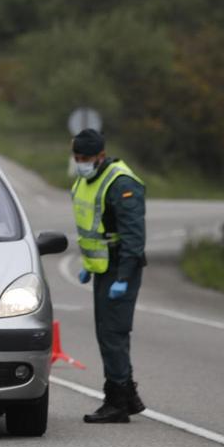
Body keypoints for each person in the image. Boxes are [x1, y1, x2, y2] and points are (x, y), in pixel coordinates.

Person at [69, 128, 148, 424]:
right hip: (103, 267)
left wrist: (124, 277)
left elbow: (133, 236)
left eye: (86, 158)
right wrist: (89, 266)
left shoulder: (121, 183)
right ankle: (127, 396)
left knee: (113, 334)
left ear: (101, 156)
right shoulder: (87, 179)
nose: (81, 162)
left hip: (121, 268)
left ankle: (117, 401)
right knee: (107, 333)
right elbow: (94, 227)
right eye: (77, 157)